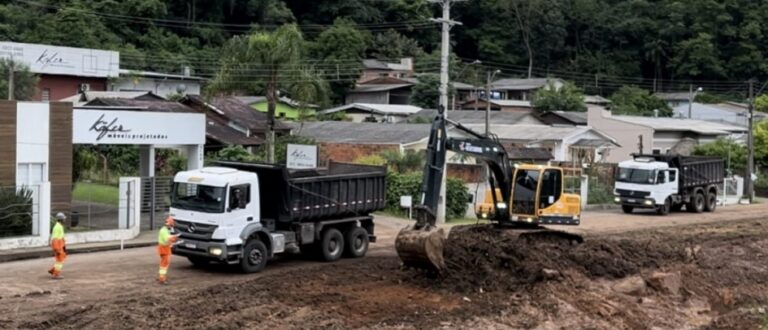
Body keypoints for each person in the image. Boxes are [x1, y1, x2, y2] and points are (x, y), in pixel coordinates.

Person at [157, 216, 180, 284]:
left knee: (163, 264)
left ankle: (161, 277)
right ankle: (162, 278)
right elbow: (167, 239)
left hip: (164, 248)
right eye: (171, 225)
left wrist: (172, 241)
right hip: (164, 249)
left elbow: (167, 240)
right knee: (164, 264)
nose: (171, 227)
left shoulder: (164, 230)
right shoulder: (164, 231)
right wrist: (174, 238)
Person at [48, 213, 67, 279]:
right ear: (61, 219)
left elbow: (55, 236)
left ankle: (53, 270)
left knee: (61, 258)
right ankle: (56, 274)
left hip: (60, 245)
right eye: (64, 219)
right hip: (58, 246)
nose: (65, 220)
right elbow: (55, 239)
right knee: (60, 260)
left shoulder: (59, 226)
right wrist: (57, 249)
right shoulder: (57, 227)